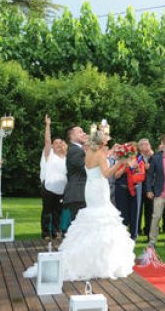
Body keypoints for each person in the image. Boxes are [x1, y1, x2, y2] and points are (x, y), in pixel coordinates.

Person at [27, 120, 135, 281]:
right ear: (100, 142)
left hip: (91, 189)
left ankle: (92, 258)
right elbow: (106, 173)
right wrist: (121, 162)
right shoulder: (85, 152)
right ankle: (94, 261)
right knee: (100, 220)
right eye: (106, 140)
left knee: (91, 222)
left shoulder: (90, 153)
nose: (108, 141)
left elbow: (99, 161)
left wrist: (115, 153)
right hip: (97, 189)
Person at [40, 116, 68, 243]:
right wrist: (48, 125)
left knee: (57, 212)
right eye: (55, 143)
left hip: (61, 189)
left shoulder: (66, 157)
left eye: (60, 143)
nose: (58, 145)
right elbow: (46, 141)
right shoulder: (49, 154)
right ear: (52, 145)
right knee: (47, 211)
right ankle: (45, 233)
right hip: (48, 187)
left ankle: (56, 232)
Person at [64, 125, 88, 224]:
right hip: (78, 194)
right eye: (80, 132)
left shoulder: (79, 150)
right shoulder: (75, 150)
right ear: (72, 136)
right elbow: (86, 170)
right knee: (80, 227)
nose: (84, 134)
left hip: (80, 194)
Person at [135, 138, 155, 241]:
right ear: (139, 147)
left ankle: (149, 233)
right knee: (137, 211)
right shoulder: (136, 157)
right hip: (138, 187)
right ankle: (136, 232)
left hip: (150, 188)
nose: (145, 146)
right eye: (142, 144)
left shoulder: (154, 157)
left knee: (150, 211)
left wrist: (150, 167)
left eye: (147, 144)